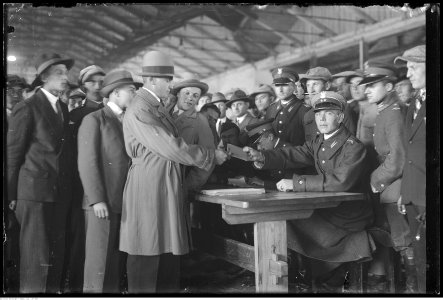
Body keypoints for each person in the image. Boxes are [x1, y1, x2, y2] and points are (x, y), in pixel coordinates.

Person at [119, 50, 227, 293]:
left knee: (164, 246)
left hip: (162, 182)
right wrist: (210, 156)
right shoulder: (141, 108)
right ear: (152, 80)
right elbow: (169, 146)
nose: (171, 86)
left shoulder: (154, 106)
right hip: (150, 183)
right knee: (146, 245)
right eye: (168, 81)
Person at [245, 91, 374, 292]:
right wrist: (262, 156)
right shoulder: (318, 141)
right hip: (331, 209)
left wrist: (295, 183)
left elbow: (340, 182)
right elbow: (293, 154)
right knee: (282, 218)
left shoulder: (353, 147)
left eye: (329, 113)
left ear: (340, 117)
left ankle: (309, 274)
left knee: (286, 218)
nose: (321, 118)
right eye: (318, 114)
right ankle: (303, 274)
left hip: (349, 214)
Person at [7, 53, 75, 293]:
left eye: (66, 73)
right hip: (33, 195)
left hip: (56, 194)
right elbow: (13, 155)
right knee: (36, 260)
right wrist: (12, 194)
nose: (66, 78)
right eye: (60, 73)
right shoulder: (26, 108)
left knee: (53, 259)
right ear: (44, 77)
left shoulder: (62, 107)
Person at [77, 70, 141, 293]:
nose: (135, 94)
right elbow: (87, 163)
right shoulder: (94, 119)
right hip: (102, 205)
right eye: (131, 90)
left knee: (114, 263)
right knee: (99, 265)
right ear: (115, 93)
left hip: (123, 203)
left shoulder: (129, 121)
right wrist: (96, 200)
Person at [359, 62, 416, 292]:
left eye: (373, 85)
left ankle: (415, 288)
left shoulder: (393, 113)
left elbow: (399, 158)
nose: (367, 90)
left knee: (404, 240)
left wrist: (375, 180)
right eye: (366, 86)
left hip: (396, 183)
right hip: (390, 180)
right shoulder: (385, 111)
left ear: (390, 86)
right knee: (396, 239)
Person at [62, 64, 107, 292]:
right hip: (82, 185)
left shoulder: (115, 113)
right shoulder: (77, 115)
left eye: (101, 81)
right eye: (92, 82)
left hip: (110, 184)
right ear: (83, 85)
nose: (98, 86)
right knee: (81, 235)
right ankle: (78, 287)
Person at [394, 45, 426, 293]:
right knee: (421, 255)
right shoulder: (414, 101)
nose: (409, 73)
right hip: (414, 192)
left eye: (414, 67)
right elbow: (410, 150)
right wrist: (405, 190)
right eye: (407, 68)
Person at [170, 74, 216, 191]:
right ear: (178, 93)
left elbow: (209, 160)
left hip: (177, 185)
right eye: (187, 93)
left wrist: (186, 187)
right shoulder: (164, 113)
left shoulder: (200, 121)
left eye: (195, 96)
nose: (190, 98)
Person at [301, 67, 356, 142]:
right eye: (308, 85)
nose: (311, 90)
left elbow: (349, 143)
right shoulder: (308, 115)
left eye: (315, 84)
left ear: (327, 85)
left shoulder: (343, 110)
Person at [265, 67, 309, 147]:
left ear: (294, 87)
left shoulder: (305, 110)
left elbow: (310, 144)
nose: (280, 90)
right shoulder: (271, 109)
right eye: (277, 85)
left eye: (285, 85)